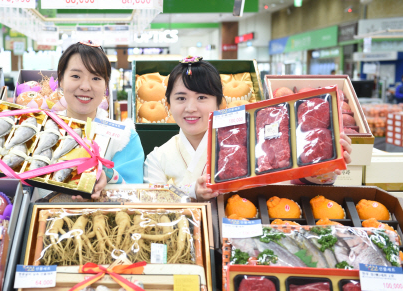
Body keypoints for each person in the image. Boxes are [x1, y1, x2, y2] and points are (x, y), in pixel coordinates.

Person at [144, 56, 353, 201]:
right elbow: (150, 202)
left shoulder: (249, 144)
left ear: (220, 104)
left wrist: (321, 168)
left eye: (201, 97)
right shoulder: (157, 158)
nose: (191, 108)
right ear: (168, 105)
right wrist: (192, 191)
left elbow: (282, 181)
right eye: (181, 98)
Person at [56, 41, 144, 199]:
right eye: (76, 76)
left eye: (96, 78)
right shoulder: (41, 127)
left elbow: (135, 193)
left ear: (106, 86)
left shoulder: (124, 136)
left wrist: (108, 174)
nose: (85, 86)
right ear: (61, 80)